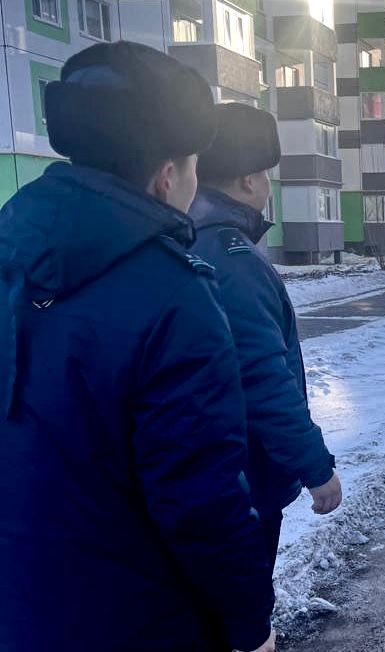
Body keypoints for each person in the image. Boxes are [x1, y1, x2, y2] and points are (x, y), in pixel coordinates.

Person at [0, 42, 276, 652]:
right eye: (195, 164)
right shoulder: (175, 298)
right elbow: (199, 498)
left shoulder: (11, 256)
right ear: (167, 174)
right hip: (139, 620)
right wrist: (251, 623)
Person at [188, 103, 342, 568]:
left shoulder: (183, 237)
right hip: (241, 479)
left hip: (198, 475)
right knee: (244, 614)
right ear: (249, 181)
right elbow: (262, 378)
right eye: (266, 175)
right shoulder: (232, 258)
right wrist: (316, 469)